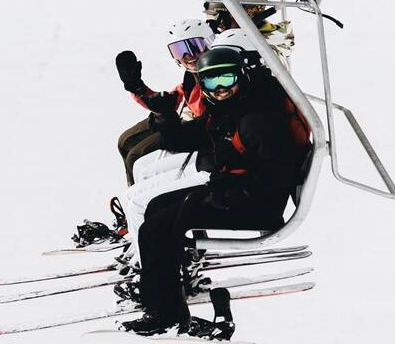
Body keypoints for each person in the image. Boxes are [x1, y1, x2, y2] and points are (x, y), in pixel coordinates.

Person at [119, 47, 310, 336]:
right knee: (157, 209)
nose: (220, 89)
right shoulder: (228, 111)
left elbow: (277, 172)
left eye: (227, 78)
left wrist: (235, 188)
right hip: (233, 193)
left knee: (156, 228)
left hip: (256, 205)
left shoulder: (257, 120)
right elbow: (185, 140)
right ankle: (167, 294)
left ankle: (165, 313)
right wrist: (166, 116)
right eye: (210, 82)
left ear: (242, 77)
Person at [116, 19, 214, 187]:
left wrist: (168, 118)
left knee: (135, 155)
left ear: (209, 43)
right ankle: (132, 195)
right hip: (186, 121)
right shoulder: (191, 78)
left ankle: (137, 199)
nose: (188, 56)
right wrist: (137, 88)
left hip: (199, 132)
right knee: (125, 141)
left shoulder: (216, 76)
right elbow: (167, 100)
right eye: (179, 51)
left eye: (193, 47)